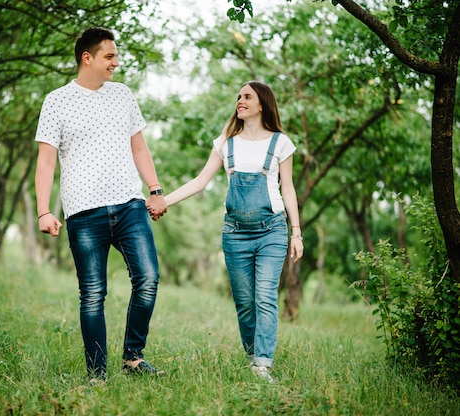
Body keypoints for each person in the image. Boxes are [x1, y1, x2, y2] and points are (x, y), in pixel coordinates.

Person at [34, 27, 167, 382]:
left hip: (129, 205)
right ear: (87, 58)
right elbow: (46, 160)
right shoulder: (56, 101)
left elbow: (139, 147)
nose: (116, 62)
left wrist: (155, 189)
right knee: (92, 294)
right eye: (110, 56)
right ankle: (97, 374)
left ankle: (133, 357)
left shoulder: (122, 95)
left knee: (149, 278)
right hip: (83, 211)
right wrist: (44, 210)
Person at [155, 81, 303, 383]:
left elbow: (288, 188)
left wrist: (296, 233)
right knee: (245, 303)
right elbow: (199, 182)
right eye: (238, 96)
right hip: (235, 233)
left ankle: (263, 364)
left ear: (262, 103)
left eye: (247, 96)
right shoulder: (226, 142)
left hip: (272, 230)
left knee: (265, 297)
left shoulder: (281, 143)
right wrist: (163, 201)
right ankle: (252, 356)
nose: (240, 101)